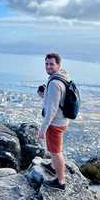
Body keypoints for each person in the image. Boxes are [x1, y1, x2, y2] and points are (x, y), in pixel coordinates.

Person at [37, 52, 71, 191]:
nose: (48, 66)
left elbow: (51, 110)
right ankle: (52, 166)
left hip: (55, 123)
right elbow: (57, 99)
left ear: (58, 65)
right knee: (54, 151)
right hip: (62, 119)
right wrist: (44, 95)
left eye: (52, 64)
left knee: (56, 151)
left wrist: (42, 130)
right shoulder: (63, 76)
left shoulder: (55, 83)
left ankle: (60, 181)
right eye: (46, 63)